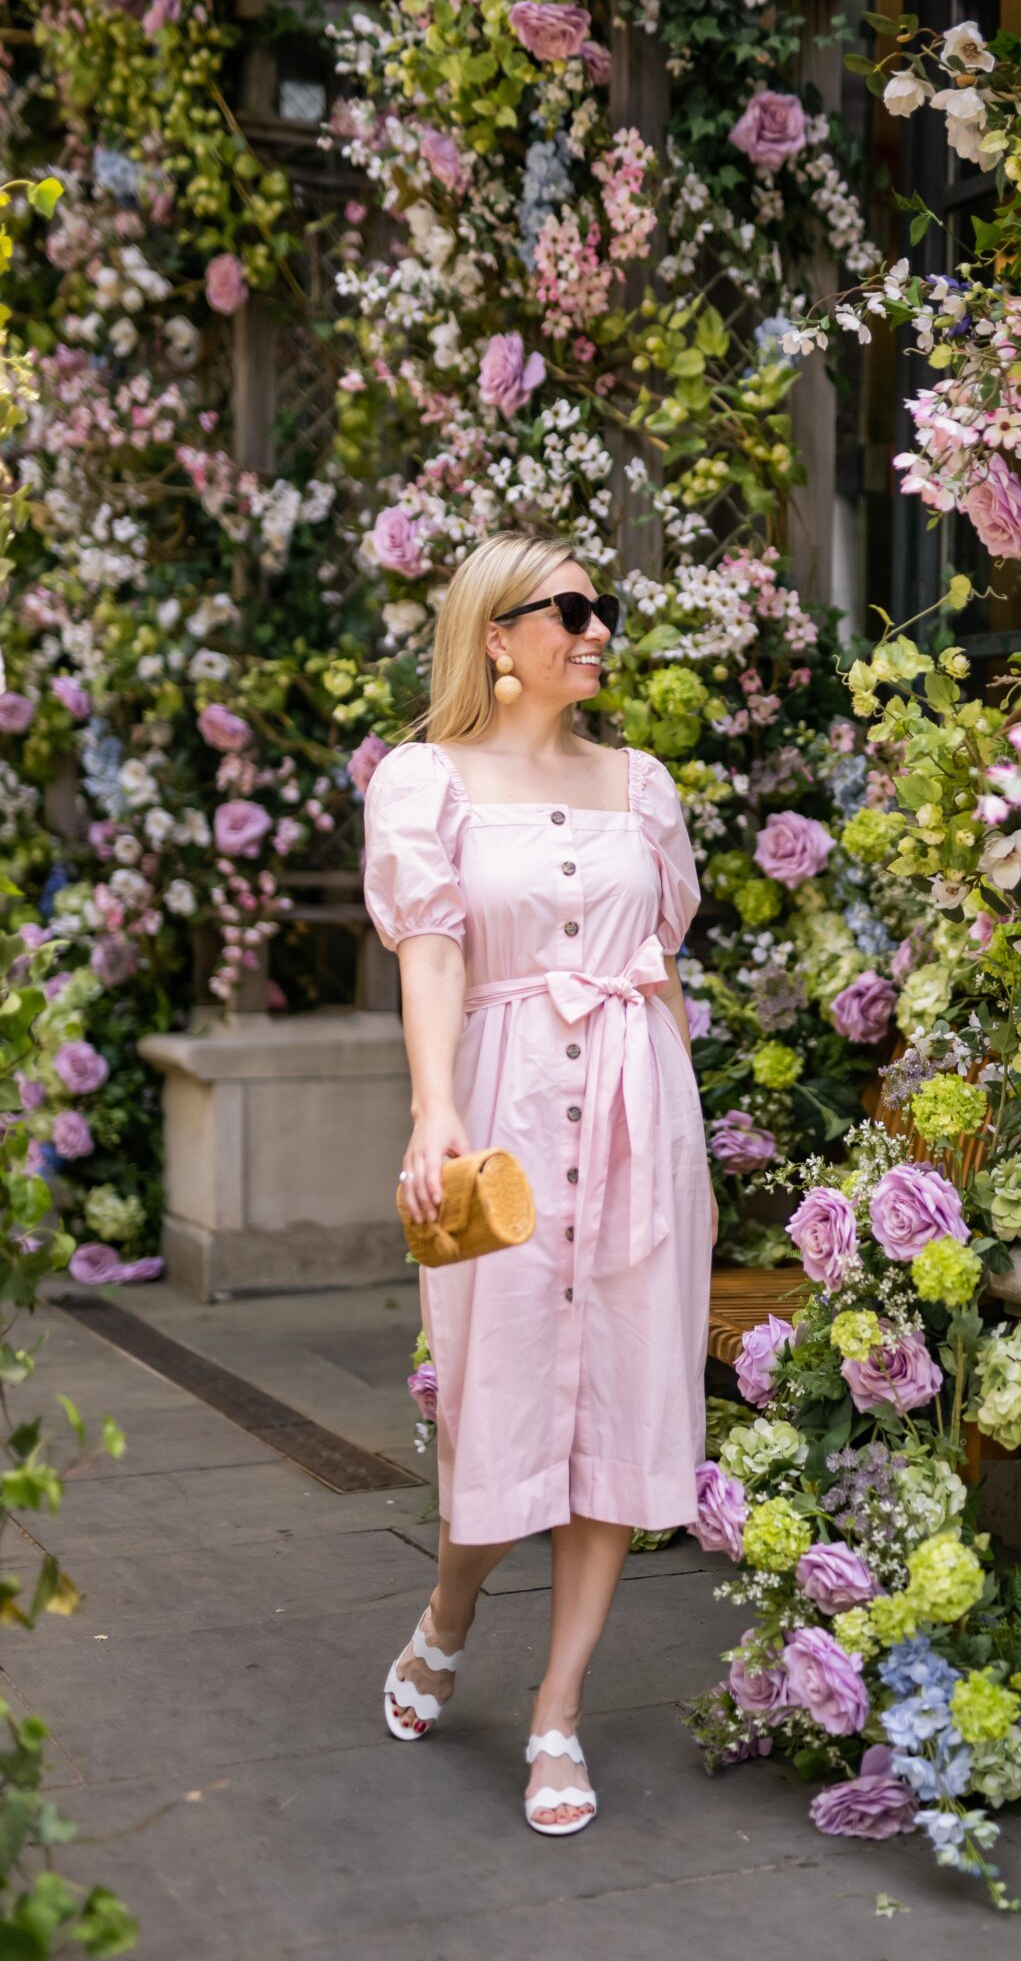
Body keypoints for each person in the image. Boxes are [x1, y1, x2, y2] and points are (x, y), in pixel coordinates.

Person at [361, 529, 716, 1837]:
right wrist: (437, 1108)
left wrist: (676, 1121)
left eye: (601, 606)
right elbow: (434, 952)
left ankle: (556, 1709)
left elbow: (662, 966)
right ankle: (448, 1619)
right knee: (496, 1403)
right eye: (566, 609)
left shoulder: (643, 786)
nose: (596, 627)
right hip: (501, 1111)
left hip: (638, 1116)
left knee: (621, 1408)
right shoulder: (423, 782)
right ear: (495, 637)